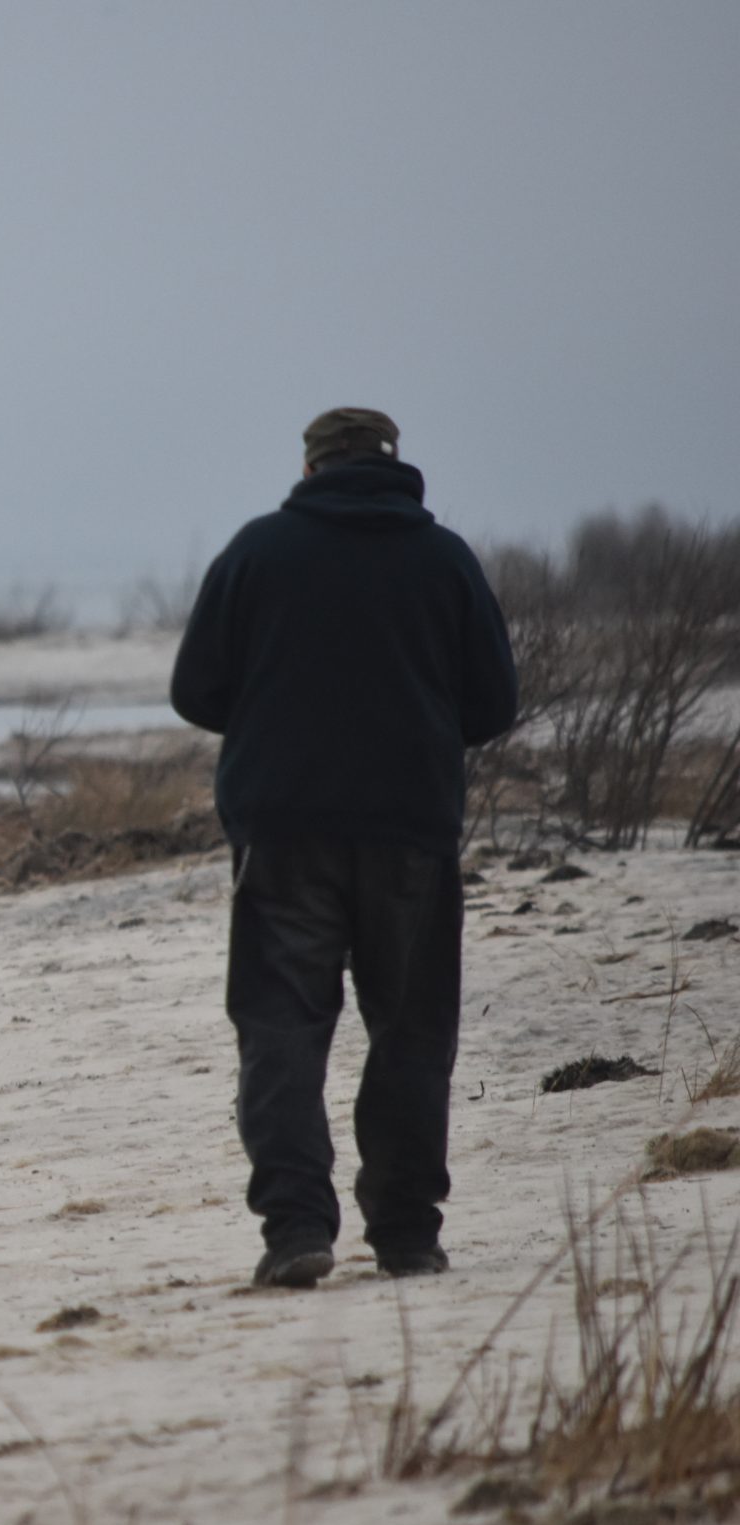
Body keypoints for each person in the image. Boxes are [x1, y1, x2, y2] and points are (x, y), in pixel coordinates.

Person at [172, 408, 518, 1289]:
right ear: (396, 463)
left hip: (284, 832)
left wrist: (275, 711)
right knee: (410, 1029)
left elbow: (196, 690)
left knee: (282, 1028)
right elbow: (493, 709)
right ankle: (405, 1233)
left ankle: (295, 1229)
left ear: (311, 463)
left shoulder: (259, 552)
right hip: (410, 832)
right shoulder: (444, 560)